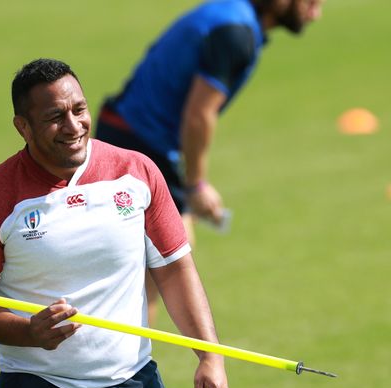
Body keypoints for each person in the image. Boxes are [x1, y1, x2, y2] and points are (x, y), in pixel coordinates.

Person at [0, 58, 228, 388]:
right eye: (55, 117)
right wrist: (28, 332)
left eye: (79, 109)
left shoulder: (136, 172)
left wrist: (210, 355)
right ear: (23, 127)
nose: (73, 125)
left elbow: (175, 270)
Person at [95, 0, 324, 324]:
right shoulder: (236, 33)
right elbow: (198, 115)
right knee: (168, 258)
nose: (316, 13)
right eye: (311, 2)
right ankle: (121, 362)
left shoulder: (233, 15)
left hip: (132, 132)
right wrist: (196, 186)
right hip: (139, 141)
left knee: (157, 263)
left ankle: (123, 355)